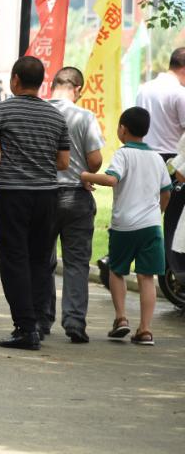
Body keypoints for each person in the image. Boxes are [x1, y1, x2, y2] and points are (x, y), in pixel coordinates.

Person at [0, 56, 71, 350]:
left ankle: (25, 328)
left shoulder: (0, 112)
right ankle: (37, 322)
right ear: (42, 83)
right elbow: (63, 162)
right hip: (47, 196)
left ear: (15, 80)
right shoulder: (55, 116)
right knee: (39, 260)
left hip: (12, 194)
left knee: (14, 259)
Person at [81, 107, 171, 346]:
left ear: (123, 129)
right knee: (147, 276)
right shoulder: (157, 158)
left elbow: (112, 179)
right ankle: (145, 330)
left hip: (124, 225)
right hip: (151, 226)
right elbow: (166, 192)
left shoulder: (123, 154)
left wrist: (85, 176)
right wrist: (158, 213)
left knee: (117, 270)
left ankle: (121, 318)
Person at [46, 67, 105, 343]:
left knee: (42, 260)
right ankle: (74, 321)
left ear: (53, 84)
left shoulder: (40, 112)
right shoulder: (84, 117)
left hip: (43, 195)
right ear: (78, 89)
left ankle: (41, 318)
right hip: (77, 197)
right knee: (77, 263)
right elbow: (95, 161)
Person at [134, 47, 185, 279]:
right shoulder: (180, 93)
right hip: (172, 161)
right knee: (174, 217)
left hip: (144, 157)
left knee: (145, 214)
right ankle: (176, 271)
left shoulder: (144, 88)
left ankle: (122, 257)